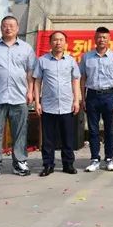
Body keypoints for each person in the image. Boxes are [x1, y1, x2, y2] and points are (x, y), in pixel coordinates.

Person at [0, 16, 36, 180]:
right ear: (1, 28)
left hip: (19, 96)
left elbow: (30, 72)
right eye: (5, 25)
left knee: (20, 132)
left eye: (11, 26)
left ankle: (20, 162)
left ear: (17, 28)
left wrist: (30, 91)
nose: (8, 28)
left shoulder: (26, 48)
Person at [33, 31, 81, 176]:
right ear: (50, 43)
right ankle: (48, 165)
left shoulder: (71, 61)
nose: (58, 43)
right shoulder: (42, 60)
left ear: (65, 43)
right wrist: (37, 102)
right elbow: (37, 81)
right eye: (55, 40)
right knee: (48, 139)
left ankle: (68, 164)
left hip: (67, 105)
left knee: (68, 138)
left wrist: (76, 100)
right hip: (48, 106)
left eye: (61, 40)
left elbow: (75, 81)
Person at [80, 27, 113, 172]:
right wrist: (83, 99)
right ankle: (94, 159)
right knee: (93, 130)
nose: (102, 40)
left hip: (109, 96)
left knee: (109, 129)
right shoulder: (86, 57)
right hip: (92, 96)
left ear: (109, 39)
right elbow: (83, 79)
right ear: (95, 39)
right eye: (99, 37)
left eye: (104, 37)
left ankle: (110, 158)